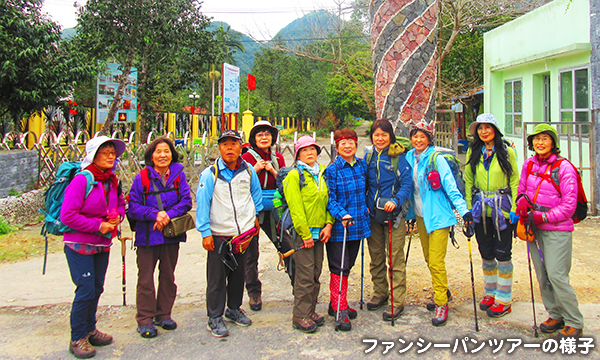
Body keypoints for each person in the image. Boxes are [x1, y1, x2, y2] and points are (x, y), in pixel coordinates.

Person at [516, 123, 584, 338]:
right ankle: (555, 314)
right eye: (536, 139)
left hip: (557, 229)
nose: (540, 143)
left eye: (545, 138)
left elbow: (569, 205)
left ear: (553, 142)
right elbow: (521, 190)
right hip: (533, 228)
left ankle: (574, 320)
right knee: (542, 275)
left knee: (557, 275)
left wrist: (541, 216)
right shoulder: (528, 164)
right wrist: (521, 204)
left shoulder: (564, 168)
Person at [61, 136, 126, 359]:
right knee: (86, 289)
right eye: (105, 152)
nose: (111, 156)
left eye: (112, 153)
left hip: (101, 243)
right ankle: (77, 337)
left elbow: (119, 204)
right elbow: (68, 215)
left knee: (97, 287)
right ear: (93, 155)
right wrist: (99, 225)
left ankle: (90, 329)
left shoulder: (112, 179)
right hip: (79, 244)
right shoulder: (82, 180)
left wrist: (117, 217)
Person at [196, 129, 263, 338]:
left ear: (240, 147)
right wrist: (205, 232)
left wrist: (255, 218)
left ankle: (233, 309)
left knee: (237, 275)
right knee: (216, 278)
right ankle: (214, 317)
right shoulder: (210, 174)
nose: (229, 148)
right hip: (219, 234)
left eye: (233, 144)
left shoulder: (249, 171)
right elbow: (202, 203)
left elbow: (256, 195)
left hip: (242, 234)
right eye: (225, 144)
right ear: (219, 148)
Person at [405, 121, 472, 327]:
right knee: (428, 257)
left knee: (435, 260)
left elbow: (451, 187)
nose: (418, 140)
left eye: (422, 137)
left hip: (440, 217)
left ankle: (441, 302)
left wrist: (465, 212)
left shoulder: (437, 159)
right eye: (415, 136)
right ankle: (443, 289)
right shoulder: (409, 158)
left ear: (429, 139)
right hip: (420, 216)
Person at [128, 137, 193, 338]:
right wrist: (154, 214)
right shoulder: (142, 178)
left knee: (168, 276)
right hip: (148, 236)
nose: (163, 155)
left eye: (166, 151)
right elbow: (133, 206)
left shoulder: (178, 176)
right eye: (158, 152)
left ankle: (164, 314)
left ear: (172, 154)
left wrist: (167, 215)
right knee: (146, 279)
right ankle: (145, 319)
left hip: (171, 234)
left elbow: (186, 202)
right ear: (151, 155)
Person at [464, 114, 520, 318]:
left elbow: (515, 180)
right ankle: (490, 292)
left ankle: (504, 298)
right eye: (480, 127)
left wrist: (514, 208)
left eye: (488, 127)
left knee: (503, 252)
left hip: (502, 209)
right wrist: (468, 209)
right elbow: (468, 180)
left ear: (495, 130)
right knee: (486, 252)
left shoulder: (507, 151)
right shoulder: (474, 150)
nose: (484, 131)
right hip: (480, 210)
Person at [283, 135, 334, 333]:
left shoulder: (321, 173)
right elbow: (296, 208)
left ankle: (311, 311)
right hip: (303, 234)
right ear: (297, 155)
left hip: (320, 232)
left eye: (313, 149)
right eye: (305, 150)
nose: (310, 153)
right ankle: (300, 315)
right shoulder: (294, 176)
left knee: (315, 273)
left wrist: (329, 223)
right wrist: (304, 234)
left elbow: (330, 200)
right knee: (304, 276)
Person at [364, 119, 412, 321]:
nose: (380, 138)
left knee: (395, 258)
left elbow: (407, 183)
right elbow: (365, 182)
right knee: (376, 257)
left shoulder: (397, 157)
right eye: (377, 135)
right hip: (373, 214)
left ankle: (397, 301)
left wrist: (396, 200)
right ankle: (380, 293)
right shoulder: (368, 156)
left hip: (394, 215)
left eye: (384, 135)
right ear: (372, 137)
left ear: (390, 136)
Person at [324, 129, 371, 332]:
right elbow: (329, 199)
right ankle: (340, 308)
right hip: (339, 227)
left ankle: (335, 302)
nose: (347, 146)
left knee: (348, 265)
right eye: (343, 143)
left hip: (358, 224)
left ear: (356, 144)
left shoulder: (362, 165)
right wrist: (341, 214)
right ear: (337, 146)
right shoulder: (332, 169)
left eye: (351, 142)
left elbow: (368, 189)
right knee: (339, 267)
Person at [241, 120, 286, 311]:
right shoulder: (246, 159)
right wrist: (256, 170)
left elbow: (286, 182)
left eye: (267, 134)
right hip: (252, 208)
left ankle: (299, 288)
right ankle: (254, 293)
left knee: (286, 245)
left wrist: (272, 170)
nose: (264, 137)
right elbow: (240, 182)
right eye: (260, 135)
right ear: (253, 139)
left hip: (274, 206)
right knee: (251, 253)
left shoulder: (278, 158)